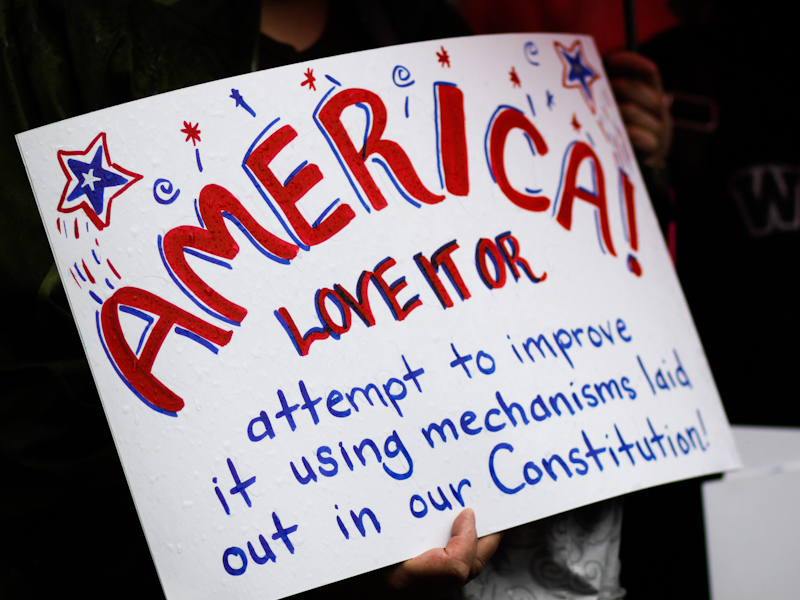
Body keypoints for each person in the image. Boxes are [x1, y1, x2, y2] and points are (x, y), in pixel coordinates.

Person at [0, 1, 671, 598]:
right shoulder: (68, 31)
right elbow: (31, 387)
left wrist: (620, 156)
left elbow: (524, 310)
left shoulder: (428, 31)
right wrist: (332, 541)